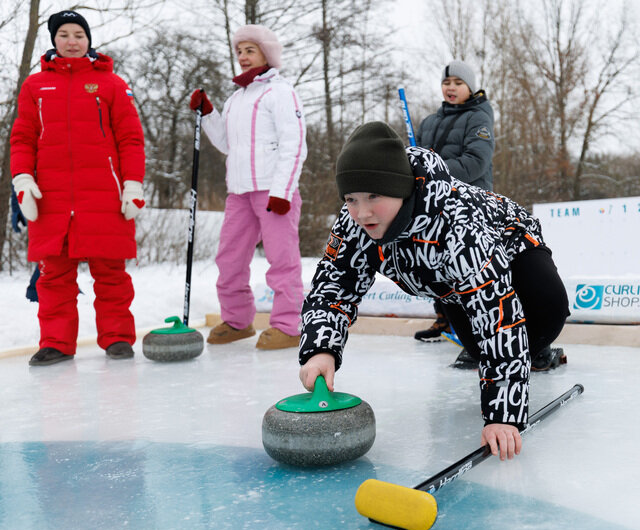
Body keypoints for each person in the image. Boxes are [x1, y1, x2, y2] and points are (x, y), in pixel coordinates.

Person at [298, 122, 570, 460]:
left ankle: (535, 350)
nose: (362, 212)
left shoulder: (459, 226)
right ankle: (515, 349)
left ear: (399, 189)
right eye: (351, 199)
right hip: (448, 282)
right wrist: (321, 349)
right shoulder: (353, 225)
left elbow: (496, 315)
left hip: (513, 244)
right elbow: (333, 286)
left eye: (374, 196)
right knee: (477, 346)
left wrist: (503, 416)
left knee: (544, 313)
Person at [10, 10, 146, 366]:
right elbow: (22, 138)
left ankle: (117, 338)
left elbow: (131, 138)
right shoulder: (35, 86)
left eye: (79, 35)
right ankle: (56, 342)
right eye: (64, 35)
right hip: (51, 197)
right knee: (53, 275)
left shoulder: (111, 84)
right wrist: (22, 179)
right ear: (54, 40)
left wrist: (132, 184)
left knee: (111, 273)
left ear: (89, 40)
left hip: (104, 195)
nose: (72, 41)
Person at [189, 25, 307, 350]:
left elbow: (294, 144)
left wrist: (283, 190)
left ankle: (288, 325)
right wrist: (208, 114)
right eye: (239, 51)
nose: (242, 57)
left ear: (266, 54)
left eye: (249, 50)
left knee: (282, 261)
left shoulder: (280, 92)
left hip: (274, 192)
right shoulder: (236, 98)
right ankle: (238, 321)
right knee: (229, 259)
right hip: (239, 192)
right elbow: (227, 144)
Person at [412, 60, 495, 366]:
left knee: (466, 265)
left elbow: (476, 162)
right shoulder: (430, 121)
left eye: (458, 83)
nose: (451, 88)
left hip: (469, 201)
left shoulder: (479, 117)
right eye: (447, 83)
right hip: (433, 202)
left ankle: (476, 329)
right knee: (435, 261)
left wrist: (432, 171)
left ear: (470, 87)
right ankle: (445, 318)